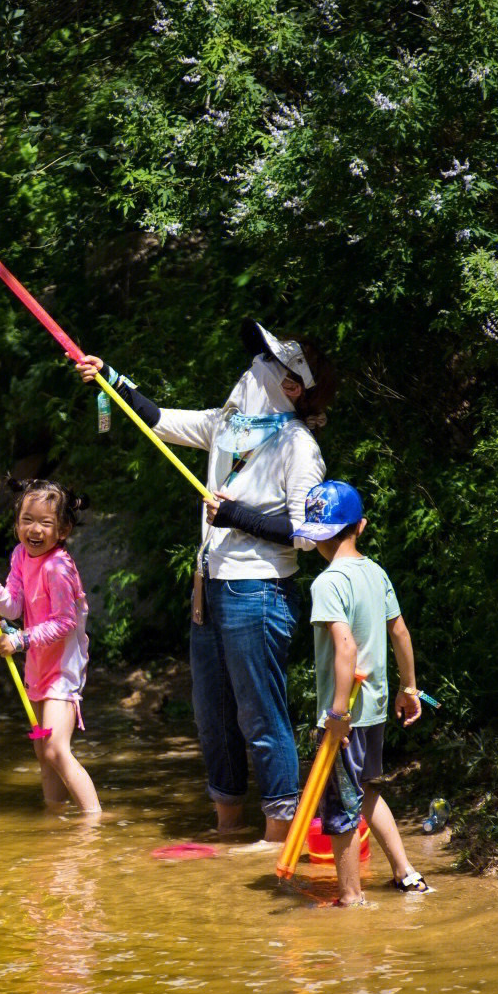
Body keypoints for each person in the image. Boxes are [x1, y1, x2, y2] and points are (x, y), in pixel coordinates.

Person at [77, 321, 336, 841]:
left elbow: (308, 535)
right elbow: (157, 420)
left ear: (293, 387)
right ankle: (225, 826)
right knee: (213, 717)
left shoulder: (298, 447)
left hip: (259, 591)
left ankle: (276, 836)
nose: (251, 368)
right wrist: (111, 379)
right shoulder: (229, 425)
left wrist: (237, 516)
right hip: (209, 588)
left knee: (260, 714)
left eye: (266, 363)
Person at [292, 479, 431, 904]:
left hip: (346, 716)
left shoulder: (328, 582)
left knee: (340, 809)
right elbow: (401, 632)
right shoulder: (376, 572)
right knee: (366, 791)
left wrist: (335, 718)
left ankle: (351, 898)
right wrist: (410, 689)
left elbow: (346, 647)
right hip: (372, 711)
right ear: (362, 526)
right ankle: (406, 875)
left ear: (316, 537)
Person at [0, 479, 101, 816]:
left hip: (62, 672)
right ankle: (54, 821)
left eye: (45, 522)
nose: (34, 529)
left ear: (64, 529)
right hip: (37, 669)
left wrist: (19, 639)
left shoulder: (58, 567)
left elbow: (64, 622)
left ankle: (94, 822)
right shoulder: (19, 556)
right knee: (42, 751)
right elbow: (12, 606)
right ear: (16, 523)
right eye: (27, 520)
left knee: (56, 748)